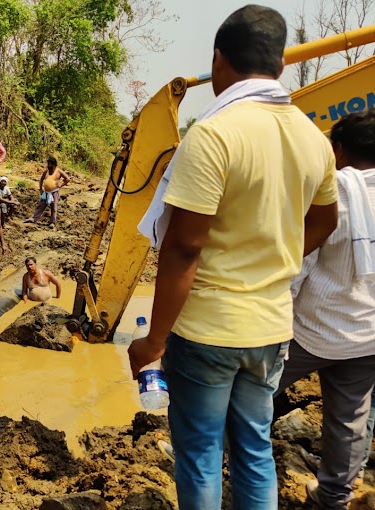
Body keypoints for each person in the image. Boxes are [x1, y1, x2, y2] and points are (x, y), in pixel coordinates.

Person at [128, 6, 338, 510]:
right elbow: (325, 221)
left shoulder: (214, 135)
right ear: (282, 67)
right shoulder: (315, 140)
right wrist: (277, 255)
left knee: (200, 454)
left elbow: (183, 245)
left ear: (218, 61)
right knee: (254, 451)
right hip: (270, 329)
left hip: (208, 330)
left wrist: (153, 341)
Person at [273, 109, 375, 509]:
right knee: (351, 421)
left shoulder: (332, 192)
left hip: (311, 331)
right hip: (367, 336)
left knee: (251, 395)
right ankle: (333, 496)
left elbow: (298, 266)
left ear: (337, 149)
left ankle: (230, 462)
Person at [24, 156, 70, 229]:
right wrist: (40, 189)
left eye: (49, 164)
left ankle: (52, 222)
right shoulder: (46, 171)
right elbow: (41, 179)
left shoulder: (59, 171)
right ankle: (33, 218)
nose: (48, 165)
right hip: (46, 192)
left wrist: (61, 185)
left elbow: (67, 178)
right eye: (47, 164)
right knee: (40, 206)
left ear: (53, 164)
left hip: (54, 192)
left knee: (53, 207)